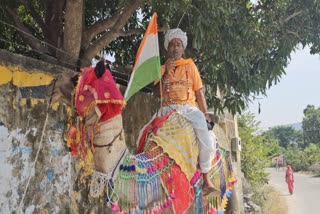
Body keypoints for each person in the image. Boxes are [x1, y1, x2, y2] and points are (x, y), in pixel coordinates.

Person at [154, 28, 219, 195]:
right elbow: (156, 93)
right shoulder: (161, 68)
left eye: (178, 45)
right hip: (167, 108)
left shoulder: (190, 66)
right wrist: (165, 73)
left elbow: (199, 92)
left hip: (188, 109)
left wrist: (204, 113)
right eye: (172, 45)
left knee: (205, 134)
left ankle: (206, 177)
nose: (175, 48)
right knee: (146, 133)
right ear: (167, 48)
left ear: (183, 48)